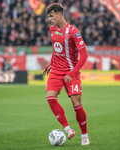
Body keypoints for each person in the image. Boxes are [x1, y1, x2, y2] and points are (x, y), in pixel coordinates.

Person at [43, 3, 90, 145]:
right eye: (48, 16)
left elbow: (84, 55)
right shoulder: (52, 29)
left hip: (71, 72)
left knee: (76, 104)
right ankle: (68, 129)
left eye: (51, 16)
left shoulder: (73, 32)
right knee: (50, 98)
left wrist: (73, 72)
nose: (50, 19)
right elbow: (55, 50)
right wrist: (51, 63)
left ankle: (84, 135)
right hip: (56, 71)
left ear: (59, 15)